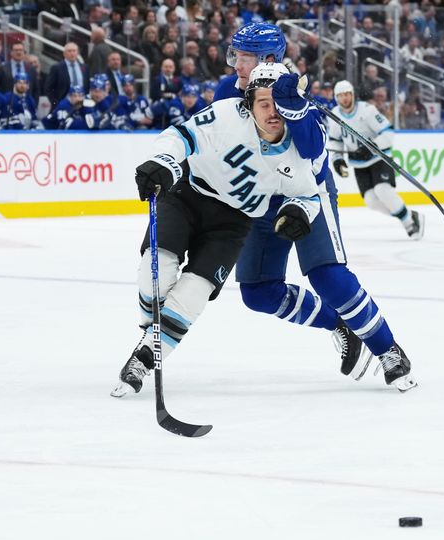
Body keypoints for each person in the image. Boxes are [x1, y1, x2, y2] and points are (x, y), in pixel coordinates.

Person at [214, 23, 417, 392]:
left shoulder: (295, 93)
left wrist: (294, 108)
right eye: (235, 56)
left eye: (243, 58)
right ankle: (338, 325)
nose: (236, 66)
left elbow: (311, 152)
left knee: (327, 276)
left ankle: (388, 350)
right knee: (257, 291)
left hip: (307, 193)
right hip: (263, 197)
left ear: (269, 60)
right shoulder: (228, 92)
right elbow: (213, 144)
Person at [111, 62, 321, 396]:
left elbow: (308, 195)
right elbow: (181, 136)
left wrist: (297, 212)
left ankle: (143, 359)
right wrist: (163, 162)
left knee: (192, 294)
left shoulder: (294, 152)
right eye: (263, 103)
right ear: (248, 103)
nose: (271, 112)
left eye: (277, 104)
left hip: (232, 222)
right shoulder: (226, 115)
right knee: (157, 274)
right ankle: (149, 334)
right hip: (186, 197)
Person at [327, 80, 424, 240]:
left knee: (383, 190)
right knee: (371, 201)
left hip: (379, 158)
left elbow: (388, 133)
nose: (344, 99)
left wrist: (371, 146)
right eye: (341, 96)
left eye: (347, 94)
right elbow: (335, 139)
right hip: (358, 164)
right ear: (337, 98)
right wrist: (337, 159)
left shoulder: (367, 110)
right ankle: (409, 214)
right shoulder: (335, 115)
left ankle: (410, 225)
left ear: (352, 94)